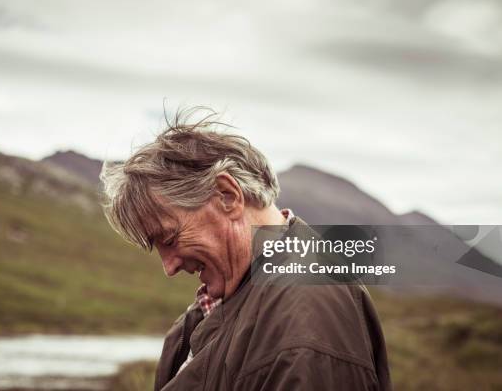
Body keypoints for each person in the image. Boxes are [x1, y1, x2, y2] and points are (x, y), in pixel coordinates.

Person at [100, 109, 391, 390]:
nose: (169, 267)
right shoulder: (237, 300)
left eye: (169, 238)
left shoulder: (305, 316)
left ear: (227, 195)